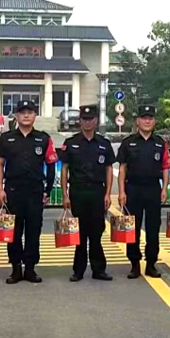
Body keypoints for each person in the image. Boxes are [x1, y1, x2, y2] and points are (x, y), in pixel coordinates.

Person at [0, 99, 57, 285]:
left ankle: (30, 268)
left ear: (35, 115)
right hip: (13, 191)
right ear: (16, 115)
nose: (26, 115)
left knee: (33, 231)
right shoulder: (7, 139)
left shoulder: (43, 138)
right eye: (22, 112)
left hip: (35, 192)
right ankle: (15, 269)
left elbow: (51, 164)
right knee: (12, 231)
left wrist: (48, 189)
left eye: (30, 111)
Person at [60, 105, 114, 282]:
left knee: (97, 232)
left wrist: (107, 194)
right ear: (80, 121)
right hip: (78, 191)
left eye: (91, 119)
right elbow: (64, 170)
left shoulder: (104, 144)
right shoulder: (71, 143)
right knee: (80, 233)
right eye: (84, 119)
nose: (88, 122)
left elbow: (108, 170)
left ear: (96, 121)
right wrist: (65, 195)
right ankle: (78, 270)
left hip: (97, 192)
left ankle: (99, 270)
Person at [117, 104, 170, 279]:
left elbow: (165, 168)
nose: (147, 121)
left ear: (154, 121)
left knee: (154, 228)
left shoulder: (160, 143)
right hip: (133, 189)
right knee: (133, 228)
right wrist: (122, 192)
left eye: (150, 118)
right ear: (137, 121)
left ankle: (151, 263)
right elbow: (123, 169)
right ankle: (134, 264)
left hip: (153, 188)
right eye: (144, 118)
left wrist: (164, 189)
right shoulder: (128, 142)